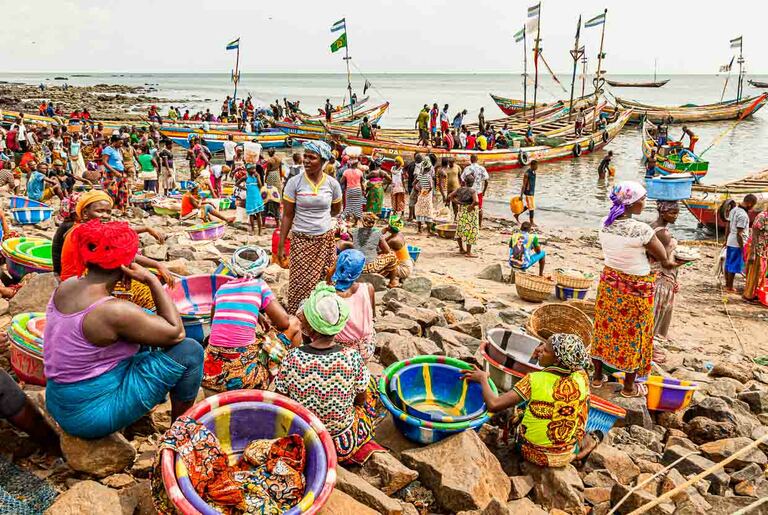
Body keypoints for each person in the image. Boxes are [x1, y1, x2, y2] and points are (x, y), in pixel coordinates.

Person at [44, 220, 204, 439]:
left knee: (146, 325)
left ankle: (143, 414)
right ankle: (180, 433)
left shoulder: (68, 285)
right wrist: (151, 280)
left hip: (60, 400)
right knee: (190, 350)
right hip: (88, 415)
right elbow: (176, 333)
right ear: (126, 265)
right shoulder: (113, 311)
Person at [275, 283, 381, 464]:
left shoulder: (292, 357)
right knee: (371, 388)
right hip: (341, 442)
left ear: (308, 327)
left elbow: (281, 399)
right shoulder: (352, 357)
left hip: (304, 438)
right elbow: (361, 400)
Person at [591, 182, 681, 397]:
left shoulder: (604, 222)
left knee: (604, 329)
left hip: (610, 284)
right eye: (642, 199)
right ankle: (629, 388)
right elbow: (665, 262)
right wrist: (680, 259)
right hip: (635, 289)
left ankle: (596, 377)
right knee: (636, 334)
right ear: (631, 203)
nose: (644, 202)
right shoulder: (641, 230)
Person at [462, 334, 600, 467]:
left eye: (545, 350)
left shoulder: (533, 379)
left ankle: (506, 440)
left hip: (531, 452)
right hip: (565, 455)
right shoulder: (581, 377)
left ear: (557, 360)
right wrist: (545, 354)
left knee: (509, 409)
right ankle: (580, 447)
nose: (539, 350)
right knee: (581, 415)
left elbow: (494, 404)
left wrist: (483, 378)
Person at [203, 247, 298, 393]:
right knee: (294, 323)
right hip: (243, 379)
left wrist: (257, 313)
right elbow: (284, 322)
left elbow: (214, 323)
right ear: (261, 270)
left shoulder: (222, 289)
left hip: (210, 374)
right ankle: (290, 377)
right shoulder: (259, 286)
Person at [279, 141, 342, 313]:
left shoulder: (332, 184)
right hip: (301, 241)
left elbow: (335, 210)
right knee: (299, 283)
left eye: (311, 157)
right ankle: (298, 318)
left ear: (323, 161)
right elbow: (287, 215)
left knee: (323, 282)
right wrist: (281, 245)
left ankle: (319, 318)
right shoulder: (294, 182)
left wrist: (319, 223)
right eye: (305, 156)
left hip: (324, 242)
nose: (306, 160)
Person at [330, 249, 376, 360]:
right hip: (364, 351)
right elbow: (373, 317)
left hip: (336, 350)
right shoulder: (368, 288)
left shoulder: (328, 293)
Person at [650, 201, 682, 342]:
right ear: (662, 213)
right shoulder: (663, 233)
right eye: (672, 213)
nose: (676, 216)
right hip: (661, 277)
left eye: (677, 213)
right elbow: (666, 263)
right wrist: (681, 262)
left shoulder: (652, 226)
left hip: (652, 273)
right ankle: (652, 341)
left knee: (653, 311)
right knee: (657, 311)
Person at [346, 212, 399, 287]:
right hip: (370, 266)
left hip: (357, 265)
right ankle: (392, 282)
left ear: (362, 222)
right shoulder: (377, 234)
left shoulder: (354, 231)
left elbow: (349, 230)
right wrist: (379, 253)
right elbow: (387, 250)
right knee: (392, 255)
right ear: (373, 223)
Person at [724, 194, 757, 292]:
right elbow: (739, 233)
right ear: (749, 203)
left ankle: (727, 284)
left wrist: (726, 240)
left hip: (730, 240)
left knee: (728, 263)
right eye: (753, 205)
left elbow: (727, 226)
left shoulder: (734, 210)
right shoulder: (743, 215)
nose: (752, 208)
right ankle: (729, 286)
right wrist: (742, 247)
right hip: (737, 243)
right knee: (734, 265)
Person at [446, 175, 480, 257]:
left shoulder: (459, 189)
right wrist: (471, 206)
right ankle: (468, 252)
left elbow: (450, 196)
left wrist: (457, 202)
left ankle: (461, 249)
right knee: (470, 231)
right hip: (469, 212)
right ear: (473, 182)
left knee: (460, 229)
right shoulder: (472, 191)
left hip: (461, 211)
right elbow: (476, 201)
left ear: (465, 181)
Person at [743, 208, 768, 302]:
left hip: (764, 250)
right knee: (755, 272)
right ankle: (748, 295)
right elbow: (754, 234)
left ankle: (756, 293)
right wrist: (753, 252)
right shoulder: (762, 216)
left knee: (761, 273)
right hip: (757, 249)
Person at [382, 214, 413, 284]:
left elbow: (381, 248)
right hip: (407, 264)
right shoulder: (398, 234)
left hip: (403, 269)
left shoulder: (394, 240)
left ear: (390, 227)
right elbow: (384, 242)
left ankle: (393, 281)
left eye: (388, 225)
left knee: (379, 265)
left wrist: (381, 234)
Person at [461, 154, 490, 227]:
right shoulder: (482, 168)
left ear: (470, 159)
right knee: (479, 208)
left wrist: (463, 190)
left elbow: (462, 180)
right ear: (477, 159)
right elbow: (486, 181)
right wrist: (484, 191)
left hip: (468, 192)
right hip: (478, 191)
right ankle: (479, 225)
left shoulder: (467, 168)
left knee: (468, 207)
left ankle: (468, 223)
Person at [236, 165, 265, 235]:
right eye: (252, 169)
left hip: (257, 196)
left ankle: (260, 230)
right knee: (251, 214)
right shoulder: (246, 177)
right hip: (250, 197)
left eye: (254, 168)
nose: (254, 170)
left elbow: (260, 186)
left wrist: (258, 177)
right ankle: (252, 229)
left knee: (258, 214)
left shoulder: (256, 176)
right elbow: (237, 184)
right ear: (248, 170)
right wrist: (245, 189)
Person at [414, 154, 436, 235]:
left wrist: (419, 190)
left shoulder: (420, 175)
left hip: (421, 194)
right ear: (429, 167)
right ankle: (429, 231)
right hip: (427, 195)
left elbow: (414, 184)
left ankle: (419, 230)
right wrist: (427, 191)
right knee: (428, 212)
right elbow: (430, 187)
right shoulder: (429, 176)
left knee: (419, 211)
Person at [342, 160, 365, 225]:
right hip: (358, 190)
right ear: (357, 165)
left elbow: (341, 181)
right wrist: (363, 190)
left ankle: (348, 220)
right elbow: (362, 181)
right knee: (357, 205)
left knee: (349, 205)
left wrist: (347, 180)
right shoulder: (360, 172)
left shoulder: (346, 171)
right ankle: (356, 221)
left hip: (350, 190)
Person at [516, 160, 538, 226]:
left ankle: (517, 214)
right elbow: (524, 185)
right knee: (532, 207)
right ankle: (531, 222)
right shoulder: (527, 174)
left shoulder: (534, 172)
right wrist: (521, 195)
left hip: (532, 191)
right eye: (536, 166)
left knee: (529, 206)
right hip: (528, 192)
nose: (537, 167)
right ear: (532, 165)